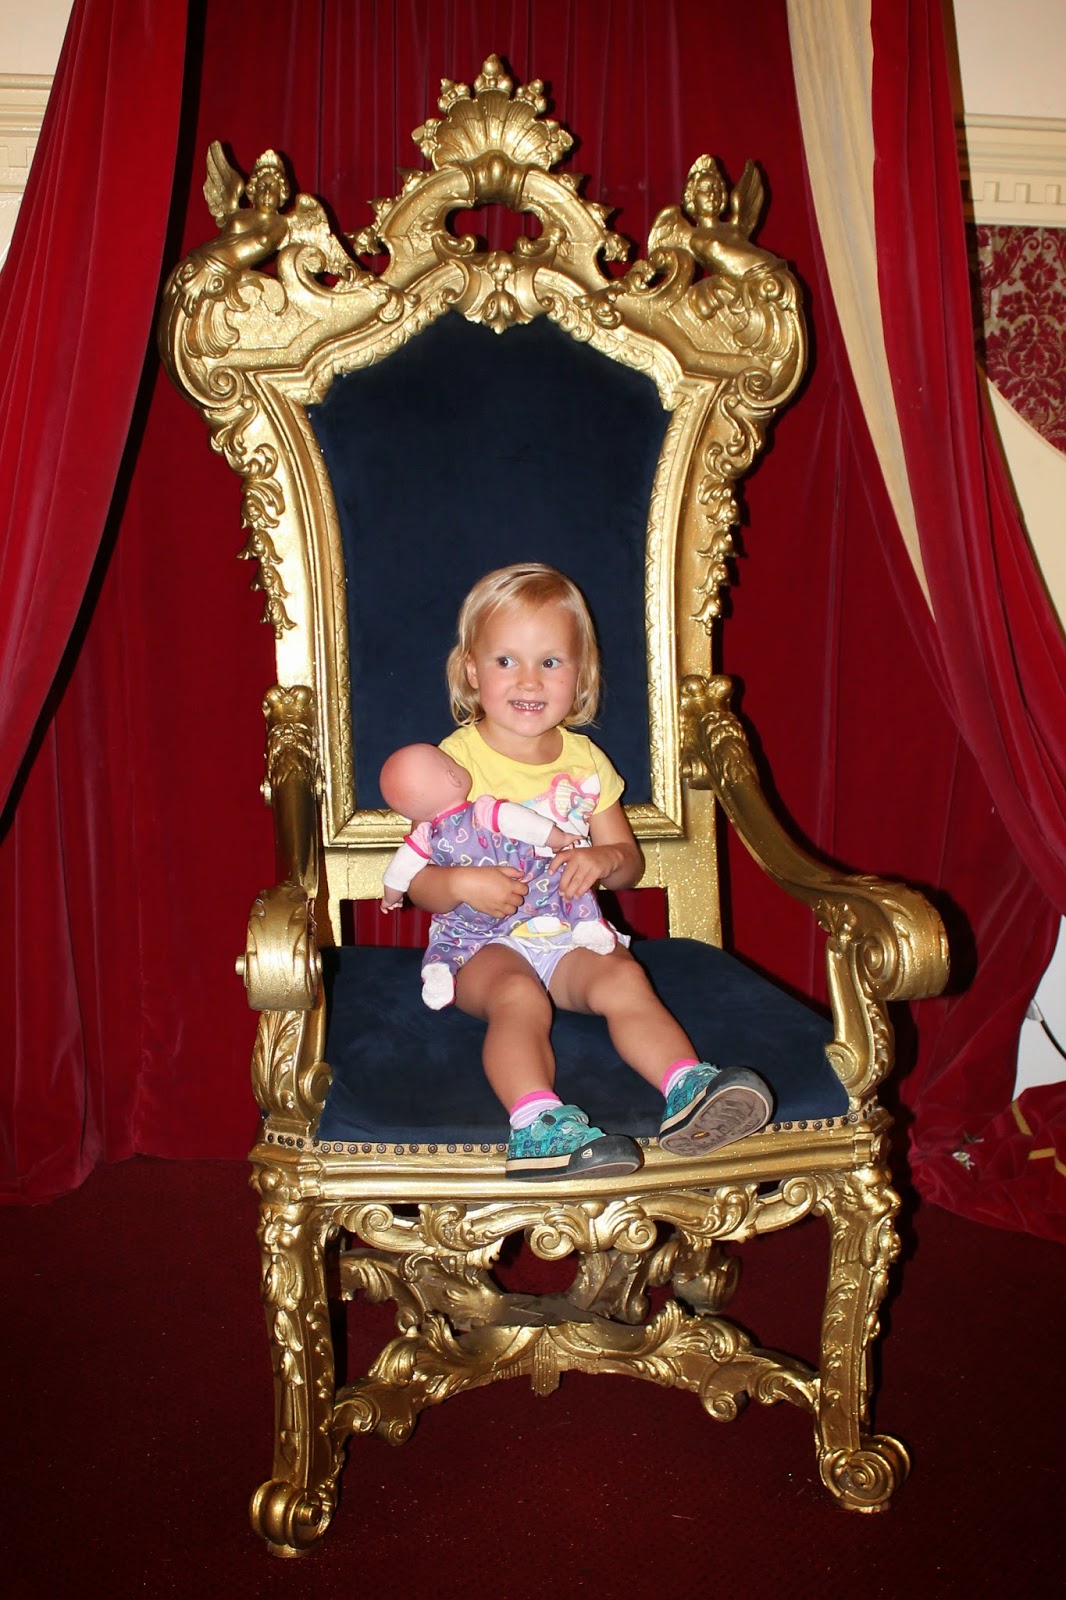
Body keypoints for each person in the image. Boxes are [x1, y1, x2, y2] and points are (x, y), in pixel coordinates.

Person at [406, 562, 774, 1181]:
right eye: (506, 661)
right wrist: (462, 883)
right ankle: (537, 1124)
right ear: (471, 670)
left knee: (623, 977)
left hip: (567, 936)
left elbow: (627, 863)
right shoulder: (453, 762)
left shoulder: (585, 761)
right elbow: (418, 879)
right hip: (480, 946)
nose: (529, 679)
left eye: (550, 661)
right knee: (519, 997)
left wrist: (603, 858)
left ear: (580, 675)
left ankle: (687, 1089)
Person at [379, 742, 619, 1010]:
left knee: (452, 936)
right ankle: (585, 922)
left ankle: (439, 967)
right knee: (561, 876)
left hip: (477, 923)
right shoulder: (482, 810)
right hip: (525, 896)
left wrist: (391, 896)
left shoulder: (425, 836)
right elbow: (525, 824)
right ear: (453, 776)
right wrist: (558, 838)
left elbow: (400, 869)